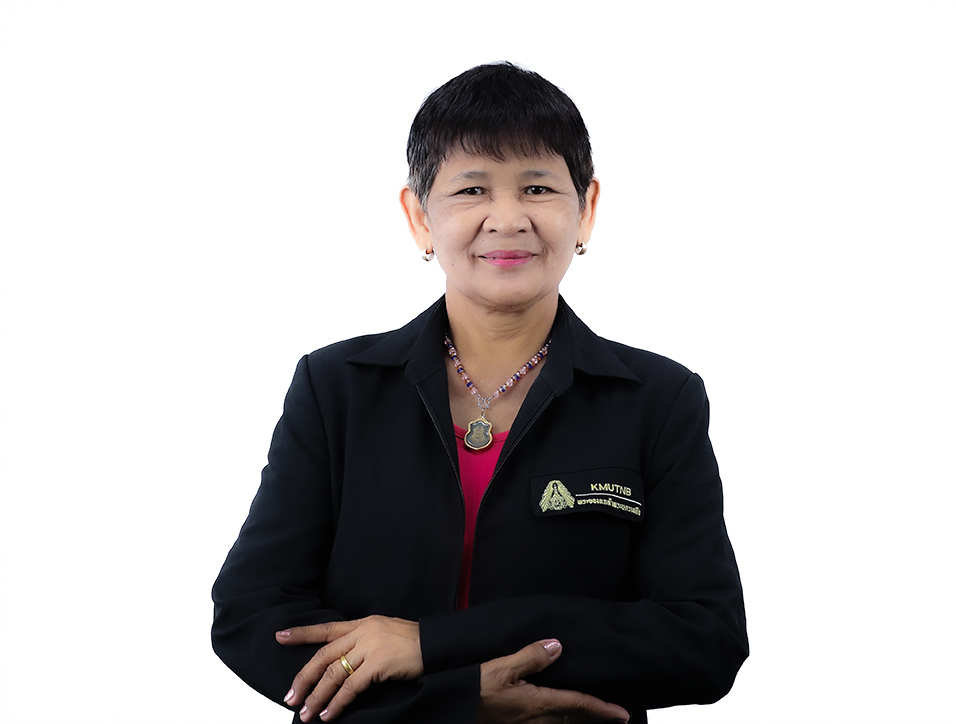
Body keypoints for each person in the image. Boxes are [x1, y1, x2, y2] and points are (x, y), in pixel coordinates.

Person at [212, 62, 748, 724]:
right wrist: (457, 703)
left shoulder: (659, 400)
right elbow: (253, 616)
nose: (508, 218)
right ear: (419, 216)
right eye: (471, 189)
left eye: (537, 188)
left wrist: (429, 643)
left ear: (586, 210)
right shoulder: (335, 388)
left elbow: (704, 640)